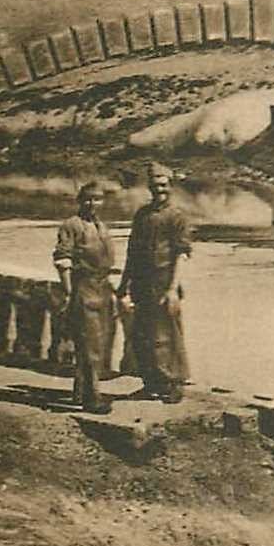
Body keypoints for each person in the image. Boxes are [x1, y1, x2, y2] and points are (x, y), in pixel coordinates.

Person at [118, 163, 192, 402]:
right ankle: (151, 383)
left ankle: (174, 383)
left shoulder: (177, 216)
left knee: (167, 335)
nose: (159, 190)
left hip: (164, 284)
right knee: (142, 335)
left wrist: (172, 290)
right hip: (142, 285)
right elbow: (132, 253)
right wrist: (123, 285)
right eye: (155, 185)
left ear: (170, 186)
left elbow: (182, 253)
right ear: (149, 187)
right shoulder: (142, 215)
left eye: (163, 185)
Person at [54, 182, 116, 414]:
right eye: (88, 199)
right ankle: (92, 398)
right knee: (89, 344)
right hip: (83, 288)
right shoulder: (71, 225)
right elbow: (63, 260)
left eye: (97, 199)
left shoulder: (101, 226)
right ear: (80, 200)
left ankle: (81, 391)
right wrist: (69, 292)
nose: (93, 204)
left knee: (98, 343)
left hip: (103, 288)